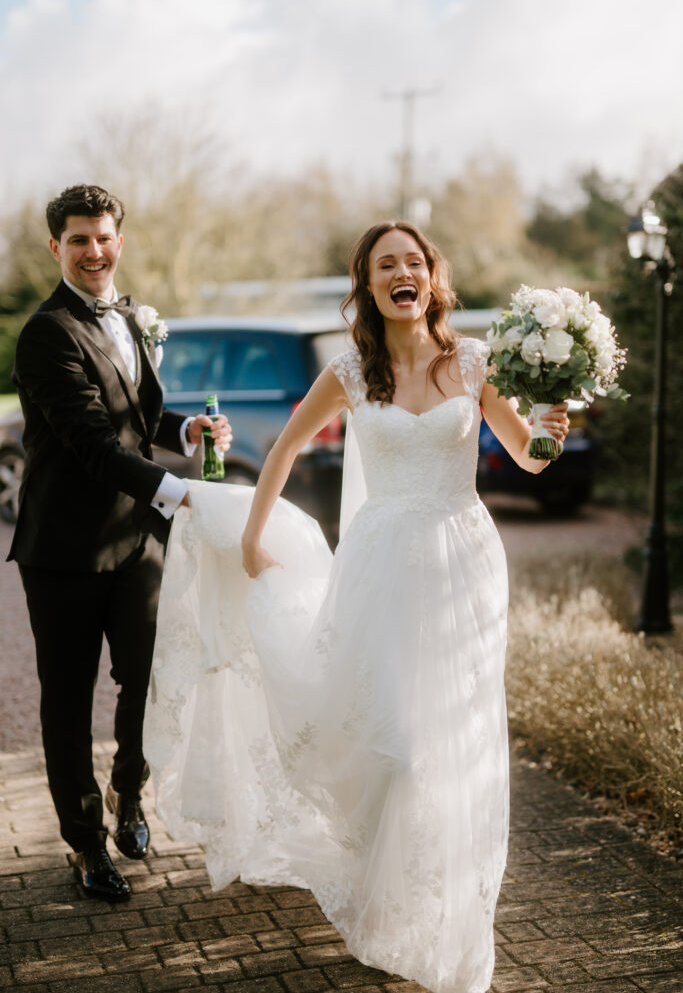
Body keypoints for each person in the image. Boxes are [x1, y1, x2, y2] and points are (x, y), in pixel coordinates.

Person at [144, 221, 569, 993]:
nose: (401, 272)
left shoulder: (472, 361)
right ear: (369, 286)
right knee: (395, 744)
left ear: (431, 279)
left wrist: (549, 434)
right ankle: (386, 893)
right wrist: (249, 542)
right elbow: (282, 451)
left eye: (413, 261)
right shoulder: (348, 370)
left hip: (463, 564)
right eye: (385, 265)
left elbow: (525, 456)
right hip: (378, 566)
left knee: (455, 740)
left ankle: (448, 917)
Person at [9, 184, 231, 902]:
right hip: (64, 550)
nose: (94, 250)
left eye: (103, 237)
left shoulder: (132, 316)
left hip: (138, 541)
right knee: (68, 701)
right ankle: (83, 845)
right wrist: (182, 491)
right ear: (56, 248)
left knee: (152, 676)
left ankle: (126, 793)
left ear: (119, 241)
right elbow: (94, 445)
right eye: (78, 240)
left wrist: (185, 435)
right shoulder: (46, 334)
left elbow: (137, 419)